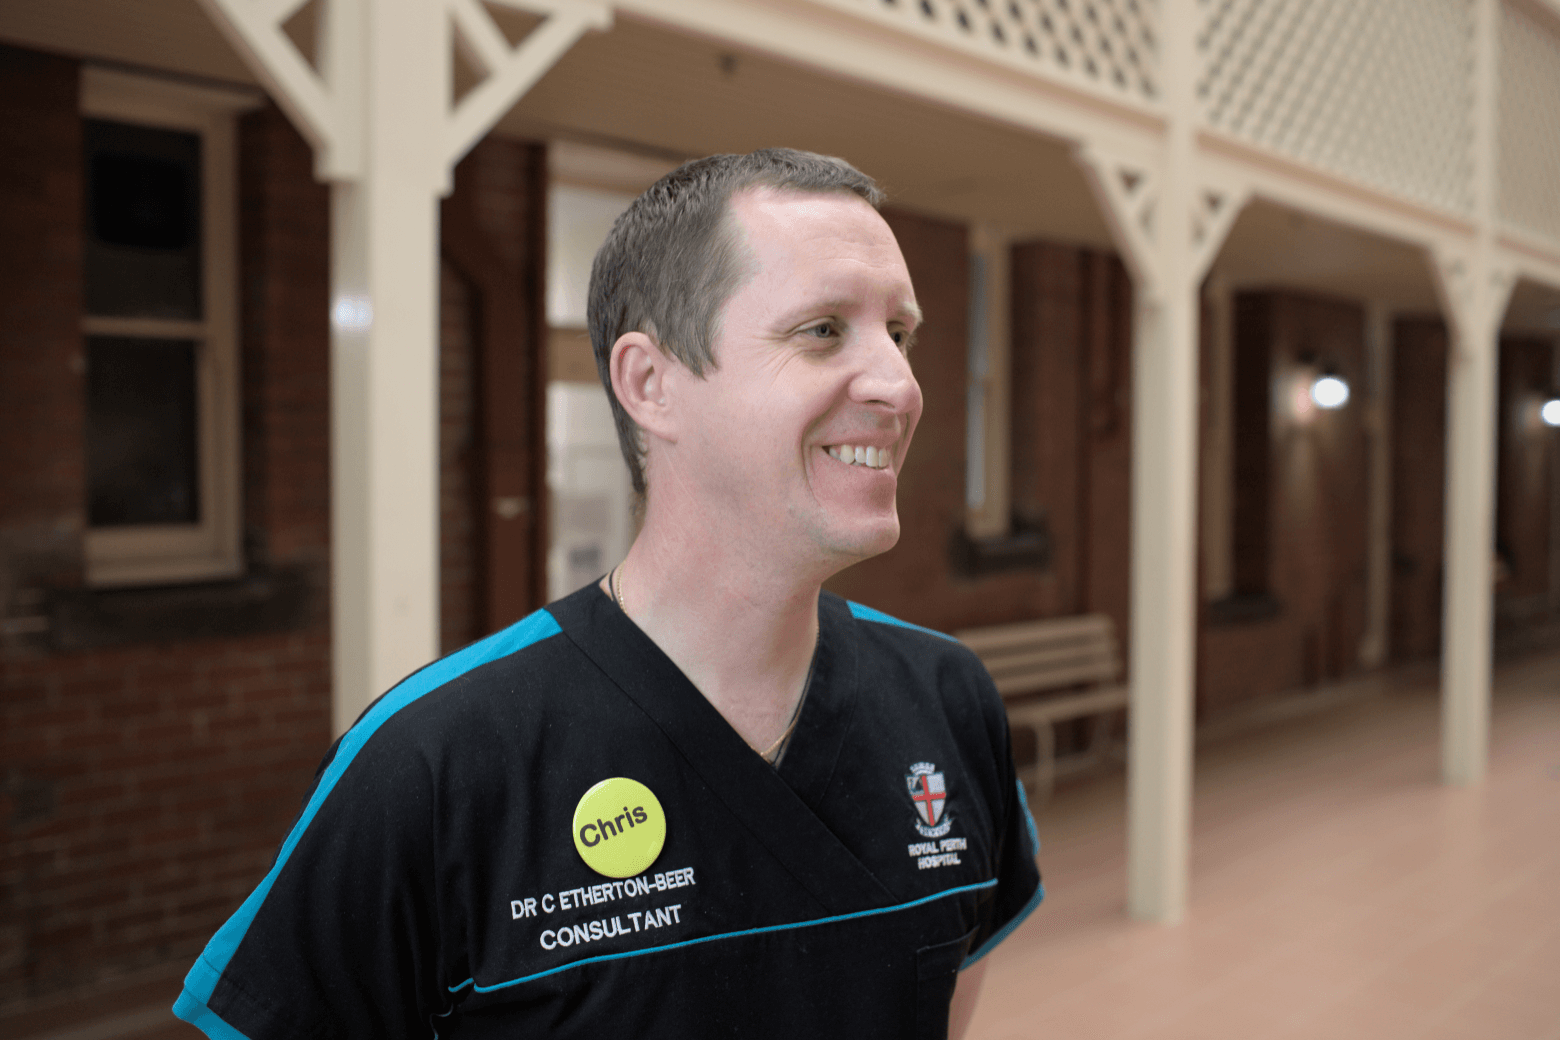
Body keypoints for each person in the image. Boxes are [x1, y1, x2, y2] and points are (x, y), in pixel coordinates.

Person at [173, 148, 1041, 1040]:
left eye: (898, 333)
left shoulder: (947, 701)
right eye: (823, 329)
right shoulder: (433, 763)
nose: (900, 385)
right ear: (649, 384)